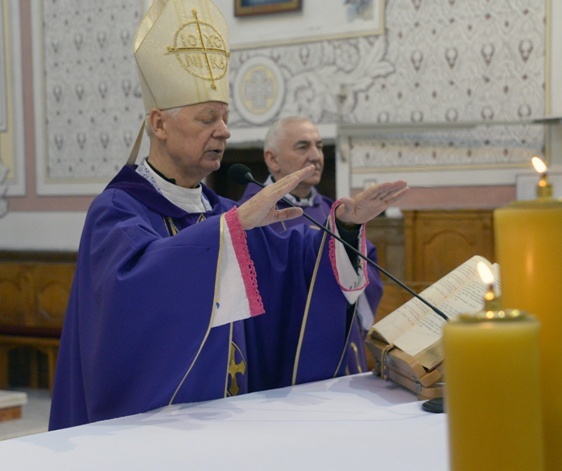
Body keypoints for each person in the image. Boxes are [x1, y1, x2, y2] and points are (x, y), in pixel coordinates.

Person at [48, 0, 408, 431]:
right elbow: (129, 298)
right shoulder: (119, 210)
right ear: (159, 125)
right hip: (154, 430)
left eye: (224, 118)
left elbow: (297, 272)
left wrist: (345, 227)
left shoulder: (224, 213)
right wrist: (229, 231)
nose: (224, 131)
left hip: (232, 421)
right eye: (207, 119)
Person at [239, 116, 384, 373]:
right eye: (303, 147)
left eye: (319, 146)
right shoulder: (250, 216)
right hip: (283, 348)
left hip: (339, 342)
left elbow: (368, 267)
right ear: (272, 159)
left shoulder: (334, 212)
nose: (316, 156)